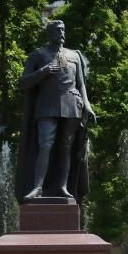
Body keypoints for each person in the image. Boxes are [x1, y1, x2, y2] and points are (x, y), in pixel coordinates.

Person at [15, 20, 92, 202]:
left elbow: (81, 84)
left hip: (71, 104)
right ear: (49, 33)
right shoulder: (38, 55)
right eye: (58, 30)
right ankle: (37, 187)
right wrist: (43, 72)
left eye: (63, 30)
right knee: (45, 144)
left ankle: (63, 187)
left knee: (66, 147)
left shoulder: (74, 55)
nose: (62, 33)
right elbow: (23, 83)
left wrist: (87, 105)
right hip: (47, 105)